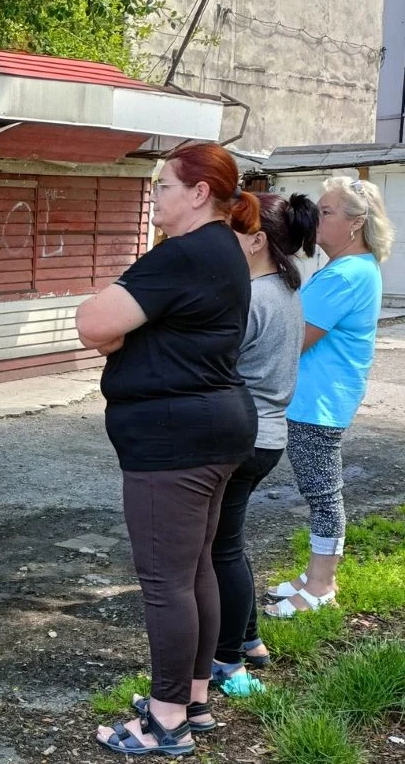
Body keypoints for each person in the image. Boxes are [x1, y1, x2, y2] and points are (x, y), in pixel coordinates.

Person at [76, 141, 259, 756]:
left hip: (174, 439)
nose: (156, 196)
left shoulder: (183, 255)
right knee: (194, 568)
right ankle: (195, 698)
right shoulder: (223, 251)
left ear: (199, 193)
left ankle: (166, 720)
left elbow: (94, 325)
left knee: (166, 581)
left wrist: (108, 308)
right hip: (214, 426)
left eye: (165, 186)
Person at [265, 177, 396, 618]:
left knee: (323, 493)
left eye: (327, 212)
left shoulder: (348, 272)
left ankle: (322, 585)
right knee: (320, 489)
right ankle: (315, 575)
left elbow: (296, 337)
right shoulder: (347, 268)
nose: (316, 219)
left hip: (319, 401)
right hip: (319, 397)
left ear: (356, 223)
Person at [210, 193, 318, 692]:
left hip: (243, 436)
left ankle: (227, 660)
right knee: (227, 545)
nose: (222, 240)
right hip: (266, 436)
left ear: (257, 242)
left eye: (232, 231)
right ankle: (250, 641)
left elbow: (214, 367)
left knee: (218, 551)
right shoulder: (287, 290)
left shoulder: (253, 297)